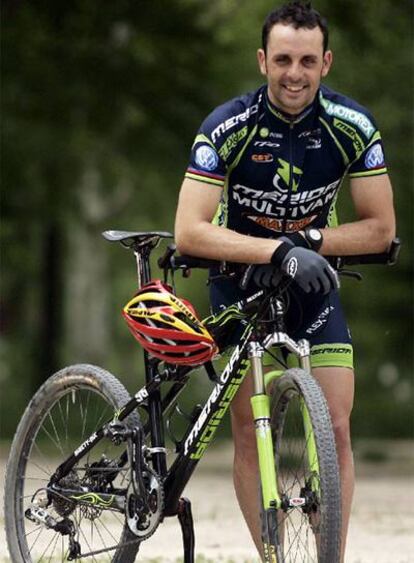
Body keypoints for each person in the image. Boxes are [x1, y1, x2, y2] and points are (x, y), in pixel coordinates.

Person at [174, 1, 396, 560]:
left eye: (305, 60)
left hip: (313, 287)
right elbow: (189, 232)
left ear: (326, 62)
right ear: (261, 61)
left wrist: (311, 244)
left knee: (336, 428)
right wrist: (277, 249)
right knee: (253, 430)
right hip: (240, 282)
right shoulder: (227, 127)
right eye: (281, 60)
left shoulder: (353, 127)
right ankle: (271, 556)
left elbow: (381, 228)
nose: (293, 73)